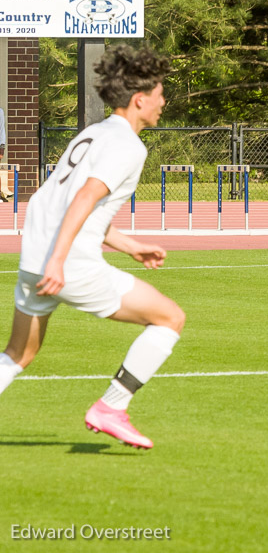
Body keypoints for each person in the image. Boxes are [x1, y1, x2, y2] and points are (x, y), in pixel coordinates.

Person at [0, 45, 183, 449]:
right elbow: (83, 199)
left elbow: (62, 203)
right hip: (67, 263)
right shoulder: (128, 146)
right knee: (170, 318)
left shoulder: (93, 133)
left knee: (17, 354)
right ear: (140, 100)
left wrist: (129, 245)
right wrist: (60, 262)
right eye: (159, 94)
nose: (163, 102)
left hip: (34, 258)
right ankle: (111, 407)